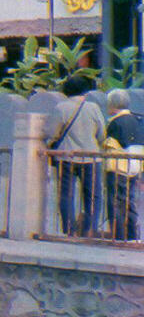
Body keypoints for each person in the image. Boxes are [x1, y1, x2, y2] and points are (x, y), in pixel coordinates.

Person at [48, 76, 106, 237]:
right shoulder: (93, 108)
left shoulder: (60, 108)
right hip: (91, 158)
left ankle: (69, 230)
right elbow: (102, 134)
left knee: (66, 194)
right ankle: (89, 229)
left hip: (66, 157)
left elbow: (53, 134)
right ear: (85, 91)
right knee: (93, 195)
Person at [104, 89, 144, 241]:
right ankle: (132, 236)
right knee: (130, 202)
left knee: (115, 203)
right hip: (135, 168)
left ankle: (118, 237)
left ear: (113, 105)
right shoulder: (139, 120)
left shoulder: (115, 122)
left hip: (117, 167)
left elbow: (109, 145)